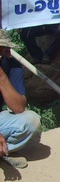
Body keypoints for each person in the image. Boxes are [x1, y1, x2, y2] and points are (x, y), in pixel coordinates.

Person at [0, 30, 41, 170]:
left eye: (6, 49)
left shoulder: (11, 65)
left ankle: (5, 150)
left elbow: (19, 108)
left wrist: (2, 77)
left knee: (31, 120)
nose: (7, 53)